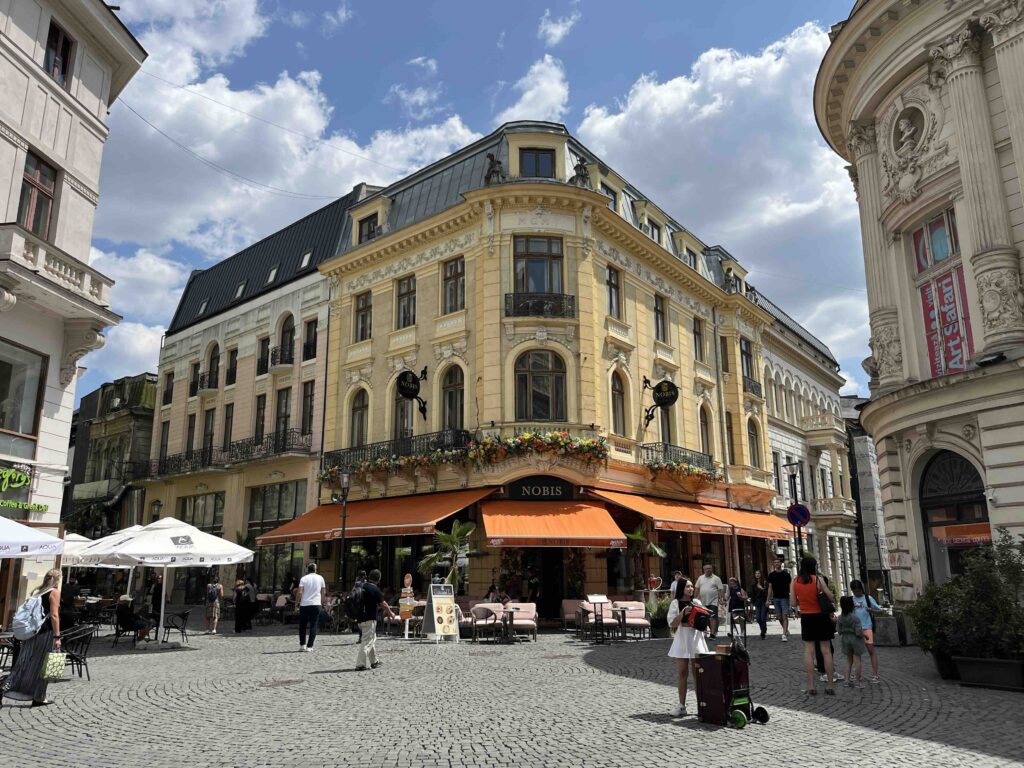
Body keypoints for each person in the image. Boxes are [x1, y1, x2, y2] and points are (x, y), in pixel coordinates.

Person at [3, 569, 62, 707]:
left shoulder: (37, 591)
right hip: (45, 633)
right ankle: (38, 697)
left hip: (32, 632)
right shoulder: (54, 592)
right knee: (42, 665)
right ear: (58, 579)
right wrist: (57, 636)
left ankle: (6, 686)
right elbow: (54, 615)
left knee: (24, 662)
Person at [791, 556, 836, 696]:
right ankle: (829, 685)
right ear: (814, 566)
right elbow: (831, 597)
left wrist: (803, 601)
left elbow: (793, 603)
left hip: (807, 617)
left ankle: (811, 686)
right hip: (821, 617)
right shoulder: (818, 580)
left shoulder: (795, 581)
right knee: (826, 651)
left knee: (809, 652)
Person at [666, 576, 709, 717]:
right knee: (682, 673)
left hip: (696, 639)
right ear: (681, 588)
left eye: (691, 586)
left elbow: (704, 620)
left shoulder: (697, 602)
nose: (691, 589)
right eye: (687, 586)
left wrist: (706, 626)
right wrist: (683, 612)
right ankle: (681, 705)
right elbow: (672, 623)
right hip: (682, 638)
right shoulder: (675, 603)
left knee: (698, 674)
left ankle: (701, 705)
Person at [355, 569, 395, 671]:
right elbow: (383, 604)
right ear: (379, 579)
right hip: (369, 619)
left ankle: (374, 661)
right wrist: (391, 613)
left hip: (360, 619)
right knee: (367, 641)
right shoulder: (374, 589)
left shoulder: (362, 586)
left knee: (371, 638)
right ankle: (360, 664)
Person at [850, 580, 882, 682]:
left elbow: (879, 610)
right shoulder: (851, 600)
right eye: (855, 591)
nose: (857, 593)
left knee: (871, 650)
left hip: (867, 627)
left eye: (858, 590)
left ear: (862, 589)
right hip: (855, 629)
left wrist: (872, 610)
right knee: (856, 653)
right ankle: (857, 674)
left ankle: (875, 674)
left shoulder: (868, 598)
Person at [837, 596, 867, 689]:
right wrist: (865, 636)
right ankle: (858, 682)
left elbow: (839, 631)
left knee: (849, 661)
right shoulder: (855, 618)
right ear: (852, 606)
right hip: (855, 640)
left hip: (845, 639)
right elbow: (858, 633)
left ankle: (846, 680)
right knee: (858, 661)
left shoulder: (840, 618)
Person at [296, 563, 326, 652]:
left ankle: (302, 645)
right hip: (316, 604)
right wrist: (322, 603)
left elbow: (300, 592)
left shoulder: (303, 578)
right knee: (313, 625)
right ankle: (310, 646)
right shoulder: (320, 578)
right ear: (315, 569)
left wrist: (296, 604)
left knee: (302, 625)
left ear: (307, 570)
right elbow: (323, 592)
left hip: (304, 604)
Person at [694, 563, 724, 638]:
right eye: (706, 569)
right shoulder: (700, 578)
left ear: (712, 569)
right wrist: (694, 598)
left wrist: (722, 599)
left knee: (712, 617)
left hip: (713, 601)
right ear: (704, 570)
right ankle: (705, 632)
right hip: (703, 601)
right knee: (704, 618)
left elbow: (721, 589)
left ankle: (712, 633)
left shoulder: (716, 578)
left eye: (710, 568)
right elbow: (697, 588)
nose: (708, 570)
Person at [766, 558, 792, 642]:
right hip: (776, 598)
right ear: (774, 564)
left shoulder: (786, 574)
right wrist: (768, 599)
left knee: (784, 616)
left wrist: (792, 597)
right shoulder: (771, 575)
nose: (776, 563)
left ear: (781, 564)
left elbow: (790, 586)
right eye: (775, 562)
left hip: (785, 597)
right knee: (779, 617)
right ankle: (785, 629)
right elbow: (770, 587)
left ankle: (784, 634)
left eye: (778, 562)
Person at [750, 570, 769, 639]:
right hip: (757, 602)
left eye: (758, 573)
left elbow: (767, 593)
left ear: (761, 574)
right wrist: (751, 604)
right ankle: (763, 629)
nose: (757, 574)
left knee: (763, 618)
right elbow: (752, 595)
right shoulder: (753, 584)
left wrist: (762, 588)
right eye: (756, 573)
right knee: (758, 619)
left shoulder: (765, 583)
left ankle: (763, 633)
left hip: (764, 601)